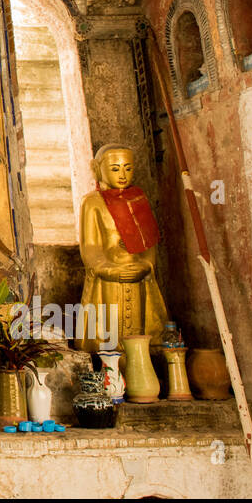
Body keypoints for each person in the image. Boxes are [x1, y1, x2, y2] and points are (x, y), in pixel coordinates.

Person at [75, 144, 169, 353]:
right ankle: (112, 372)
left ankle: (140, 367)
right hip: (109, 278)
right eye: (115, 169)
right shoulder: (92, 203)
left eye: (128, 168)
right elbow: (90, 246)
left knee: (140, 334)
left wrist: (146, 265)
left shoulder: (138, 200)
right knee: (110, 333)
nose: (123, 174)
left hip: (137, 275)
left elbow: (148, 242)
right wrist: (107, 268)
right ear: (98, 169)